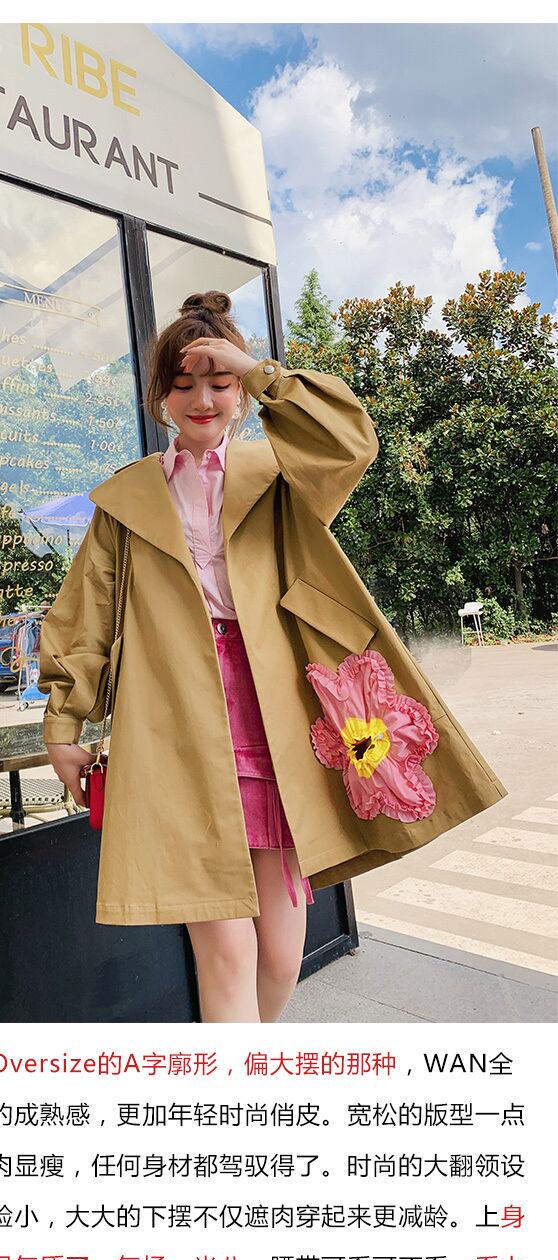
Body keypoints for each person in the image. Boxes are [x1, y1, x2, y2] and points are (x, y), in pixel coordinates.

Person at [39, 290, 506, 1024]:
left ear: (240, 393)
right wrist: (64, 727)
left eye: (219, 383)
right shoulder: (126, 501)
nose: (202, 400)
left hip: (274, 709)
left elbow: (350, 441)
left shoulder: (280, 476)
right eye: (183, 384)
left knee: (283, 956)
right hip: (173, 719)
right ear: (160, 398)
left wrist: (260, 371)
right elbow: (85, 615)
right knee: (225, 954)